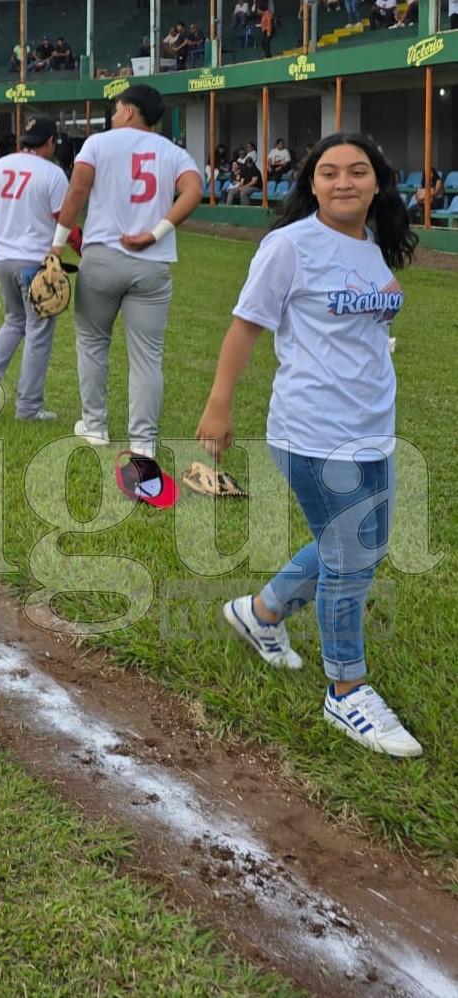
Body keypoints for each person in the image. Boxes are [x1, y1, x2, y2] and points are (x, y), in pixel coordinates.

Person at [195, 133, 422, 758]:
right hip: (313, 429)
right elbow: (245, 326)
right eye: (329, 172)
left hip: (372, 424)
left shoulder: (371, 244)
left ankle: (262, 613)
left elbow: (362, 324)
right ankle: (346, 689)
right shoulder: (289, 246)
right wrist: (219, 404)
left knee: (359, 545)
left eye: (357, 171)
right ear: (311, 184)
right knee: (351, 559)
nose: (343, 182)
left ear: (377, 182)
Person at [51, 84, 202, 495]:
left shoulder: (99, 143)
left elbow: (77, 191)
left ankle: (95, 426)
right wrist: (156, 232)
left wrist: (57, 244)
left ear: (131, 110)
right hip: (151, 263)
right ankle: (143, 443)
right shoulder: (172, 152)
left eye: (118, 108)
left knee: (92, 344)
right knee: (147, 357)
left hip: (102, 256)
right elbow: (193, 191)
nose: (115, 114)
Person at [0, 117, 70, 422]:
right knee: (38, 331)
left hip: (2, 258)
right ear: (49, 142)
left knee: (15, 320)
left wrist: (1, 237)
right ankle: (28, 407)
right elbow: (64, 221)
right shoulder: (53, 173)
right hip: (34, 262)